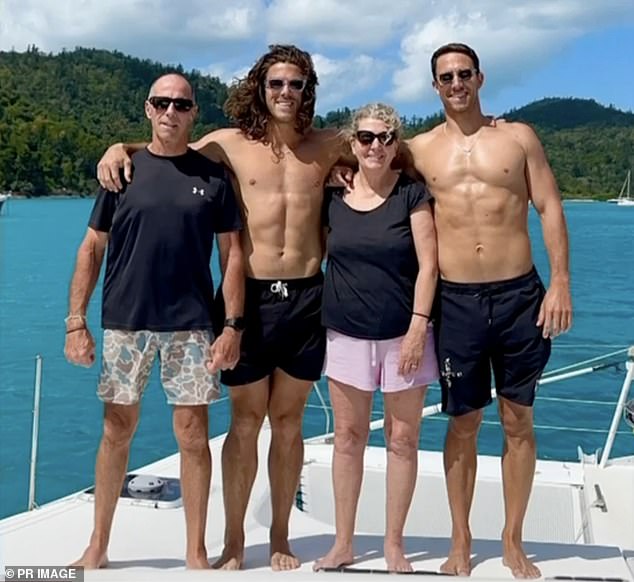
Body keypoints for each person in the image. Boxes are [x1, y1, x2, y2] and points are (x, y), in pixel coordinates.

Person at [95, 45, 347, 571]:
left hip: (305, 297)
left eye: (295, 84)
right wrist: (119, 146)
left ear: (307, 91)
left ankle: (279, 536)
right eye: (275, 83)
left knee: (291, 422)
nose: (285, 93)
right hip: (250, 300)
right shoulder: (227, 146)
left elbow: (396, 152)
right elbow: (169, 147)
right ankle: (233, 540)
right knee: (246, 421)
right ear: (261, 87)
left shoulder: (329, 145)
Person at [64, 73, 244, 570]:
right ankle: (97, 545)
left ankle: (195, 550)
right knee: (116, 430)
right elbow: (92, 247)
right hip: (125, 322)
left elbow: (232, 257)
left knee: (192, 434)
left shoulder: (212, 177)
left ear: (193, 113)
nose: (170, 111)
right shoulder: (121, 172)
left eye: (181, 104)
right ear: (148, 109)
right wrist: (75, 321)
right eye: (161, 102)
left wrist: (233, 326)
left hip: (191, 325)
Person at [406, 43, 573, 578]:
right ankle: (461, 538)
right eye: (445, 76)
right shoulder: (418, 150)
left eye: (464, 74)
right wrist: (132, 145)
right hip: (456, 302)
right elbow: (351, 158)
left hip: (521, 296)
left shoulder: (518, 138)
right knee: (463, 422)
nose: (456, 83)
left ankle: (512, 537)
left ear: (480, 78)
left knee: (518, 419)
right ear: (434, 86)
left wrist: (561, 284)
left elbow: (548, 205)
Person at [313, 103, 439, 573]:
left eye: (386, 138)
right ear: (353, 143)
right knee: (347, 439)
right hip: (346, 333)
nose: (375, 146)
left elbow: (430, 264)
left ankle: (393, 545)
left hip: (404, 335)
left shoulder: (412, 195)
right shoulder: (333, 199)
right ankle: (343, 543)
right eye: (366, 137)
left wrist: (417, 326)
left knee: (402, 440)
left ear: (396, 144)